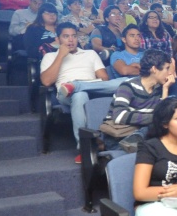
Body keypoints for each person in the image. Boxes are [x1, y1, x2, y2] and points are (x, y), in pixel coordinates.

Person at [40, 22, 127, 161]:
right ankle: (84, 147)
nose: (71, 40)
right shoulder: (50, 57)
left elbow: (104, 78)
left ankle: (77, 85)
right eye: (66, 36)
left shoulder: (90, 53)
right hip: (66, 93)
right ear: (58, 39)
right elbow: (46, 81)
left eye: (74, 36)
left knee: (125, 82)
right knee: (80, 95)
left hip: (93, 88)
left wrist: (84, 84)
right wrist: (60, 56)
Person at [103, 49, 174, 152]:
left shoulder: (159, 89)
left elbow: (162, 116)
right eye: (167, 69)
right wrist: (156, 117)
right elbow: (119, 116)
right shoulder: (128, 86)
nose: (170, 73)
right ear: (154, 69)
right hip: (119, 138)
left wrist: (165, 89)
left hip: (144, 137)